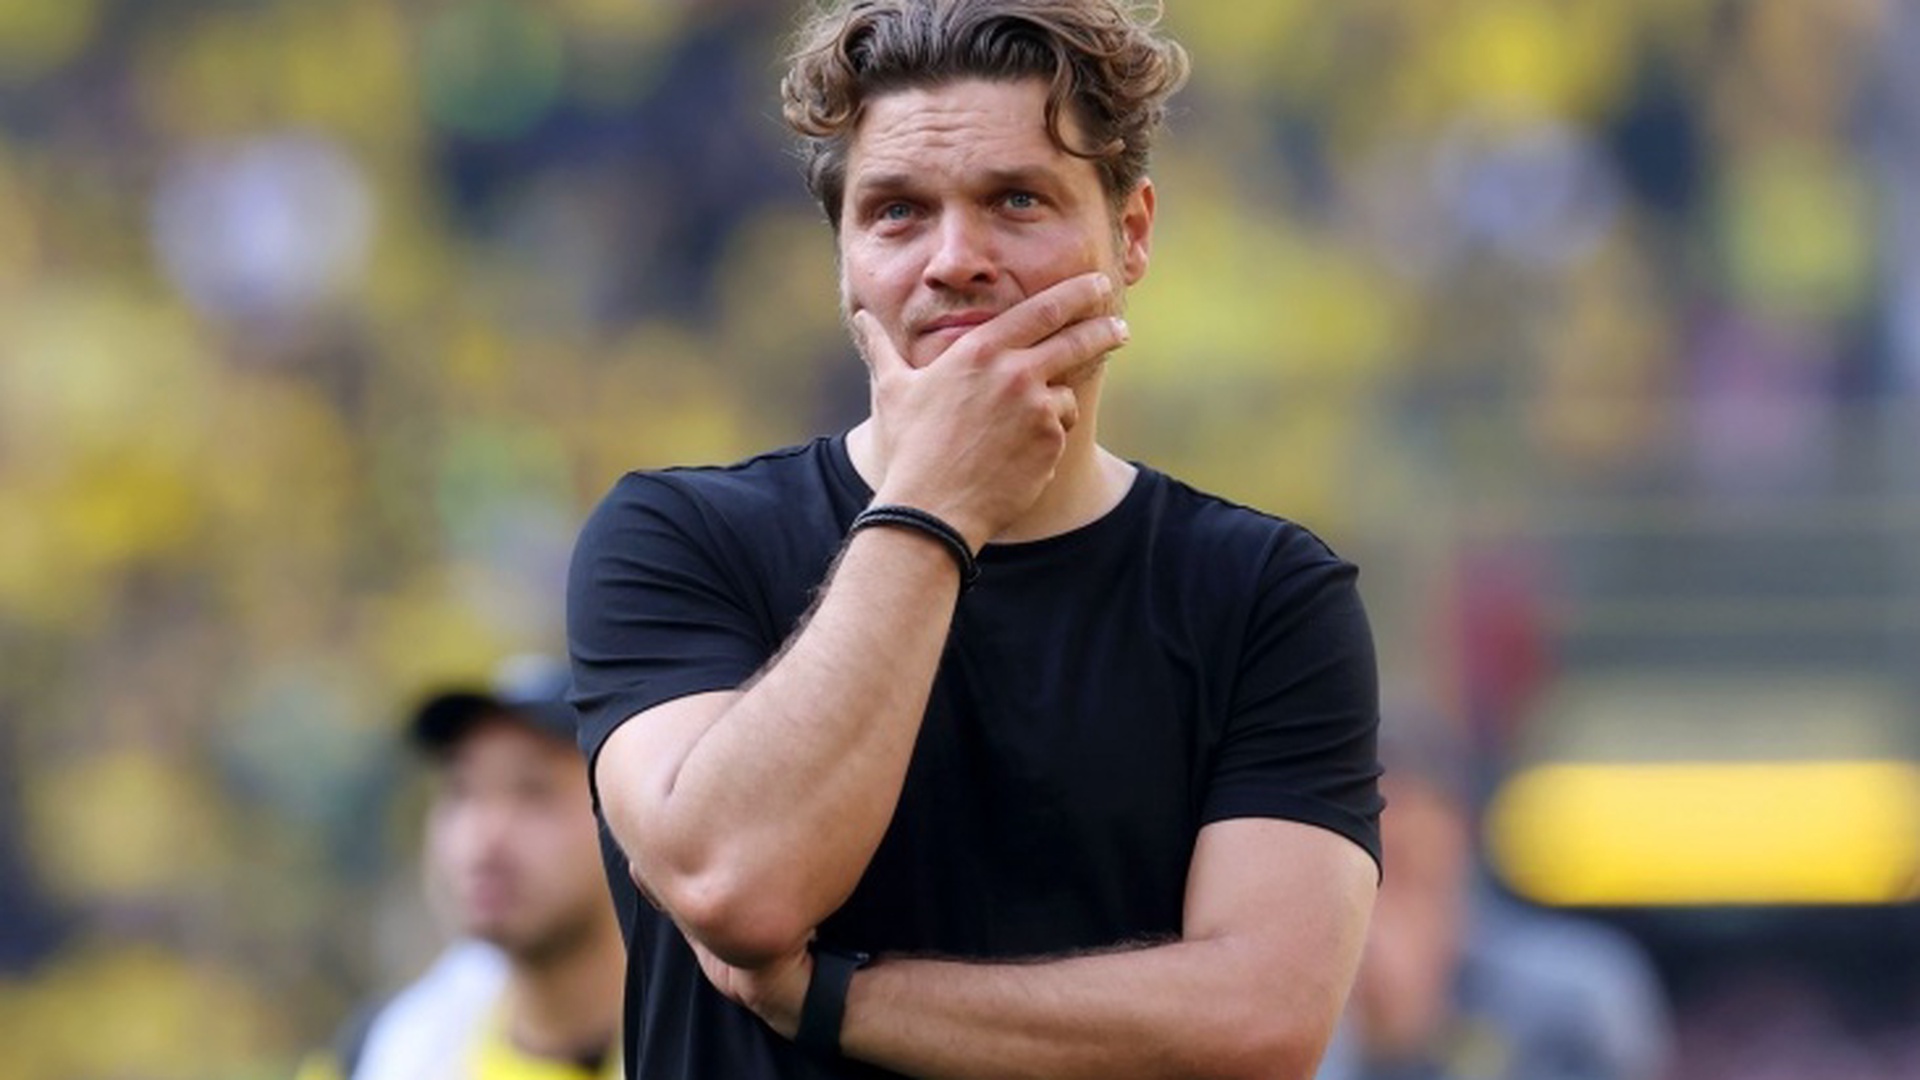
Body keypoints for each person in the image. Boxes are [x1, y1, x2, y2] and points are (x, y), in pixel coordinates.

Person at [567, 2, 1384, 1077]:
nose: (955, 260)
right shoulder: (674, 540)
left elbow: (1260, 1023)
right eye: (897, 212)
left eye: (1016, 200)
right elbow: (737, 887)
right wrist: (939, 504)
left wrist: (834, 999)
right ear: (843, 257)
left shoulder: (1266, 594)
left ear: (1132, 233)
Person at [297, 655, 625, 1080]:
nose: (484, 836)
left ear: (626, 812)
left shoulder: (706, 1041)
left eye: (534, 791)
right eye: (461, 790)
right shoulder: (380, 1055)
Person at [1316, 730, 1672, 1080]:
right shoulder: (1306, 1000)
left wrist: (1420, 1035)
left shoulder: (1576, 989)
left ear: (1458, 830)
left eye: (1403, 857)